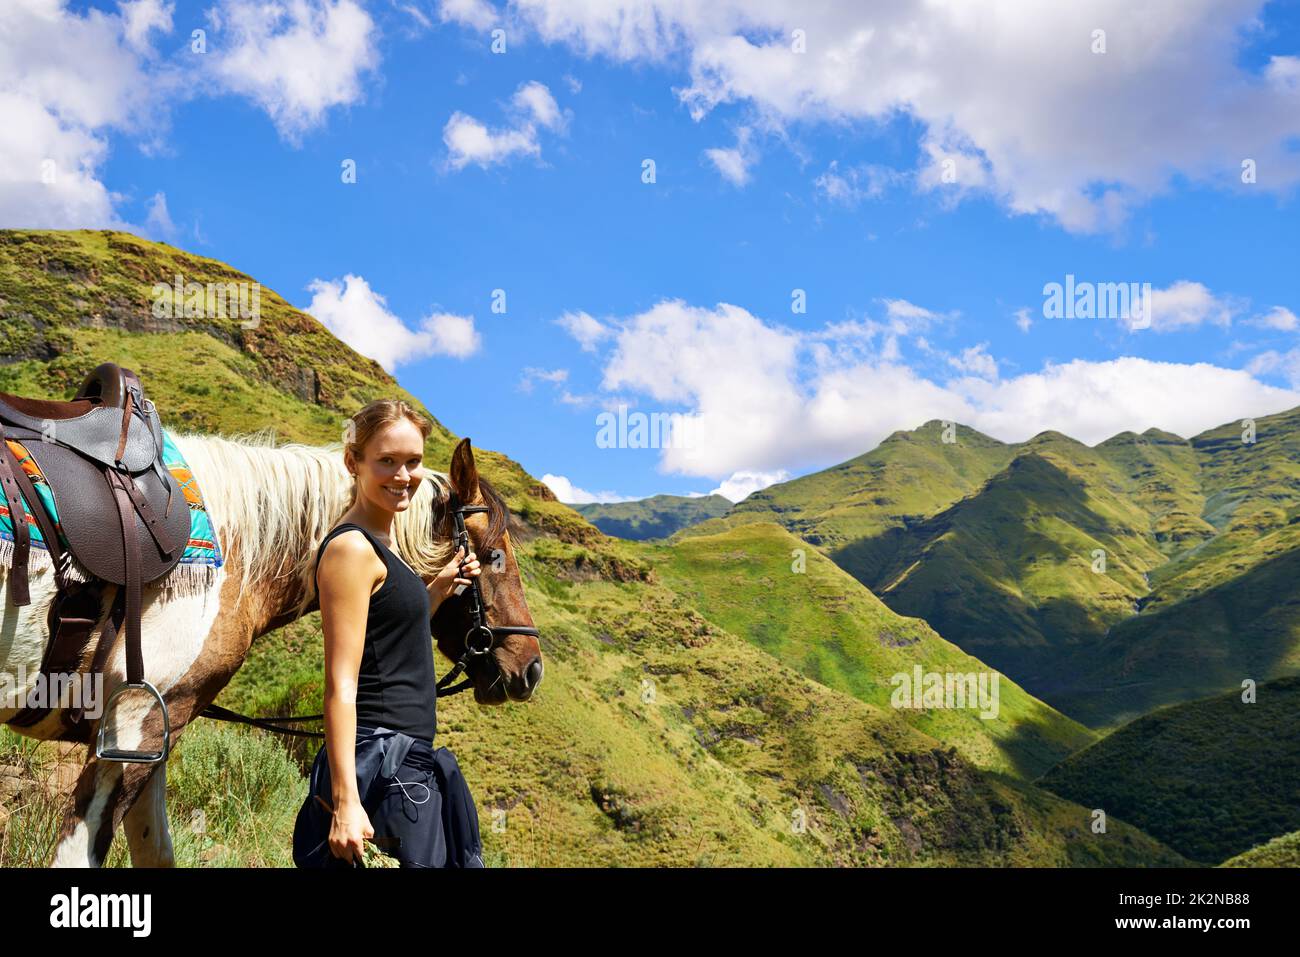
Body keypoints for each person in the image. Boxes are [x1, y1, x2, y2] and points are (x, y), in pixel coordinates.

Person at [291, 399, 484, 868]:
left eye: (413, 462)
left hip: (407, 767)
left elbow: (387, 631)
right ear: (353, 462)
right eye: (387, 461)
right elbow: (341, 685)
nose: (403, 476)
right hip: (379, 771)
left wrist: (433, 594)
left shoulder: (383, 546)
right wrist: (346, 802)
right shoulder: (351, 550)